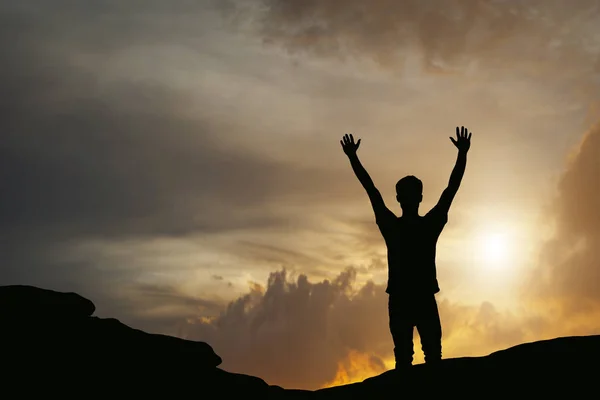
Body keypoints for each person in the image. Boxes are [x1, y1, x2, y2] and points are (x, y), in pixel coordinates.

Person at [340, 126, 472, 369]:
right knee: (425, 358)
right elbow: (450, 190)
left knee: (413, 359)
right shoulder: (423, 226)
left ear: (400, 199)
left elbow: (372, 190)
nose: (410, 198)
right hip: (413, 298)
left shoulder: (396, 227)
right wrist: (462, 154)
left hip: (409, 298)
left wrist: (353, 157)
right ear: (417, 198)